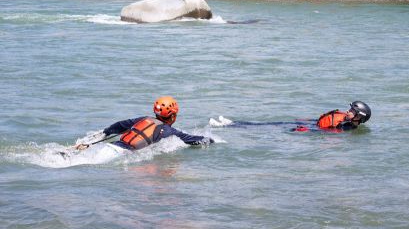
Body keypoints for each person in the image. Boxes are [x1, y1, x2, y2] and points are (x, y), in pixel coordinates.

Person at [75, 96, 214, 150]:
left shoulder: (142, 119)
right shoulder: (169, 131)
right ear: (173, 116)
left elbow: (118, 126)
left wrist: (105, 133)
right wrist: (212, 141)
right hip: (122, 153)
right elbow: (192, 140)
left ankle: (83, 147)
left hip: (113, 145)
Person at [209, 101, 371, 133]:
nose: (348, 111)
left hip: (309, 130)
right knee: (270, 123)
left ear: (358, 117)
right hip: (313, 124)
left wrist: (304, 129)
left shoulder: (347, 128)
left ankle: (226, 125)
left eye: (352, 111)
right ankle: (232, 123)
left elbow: (325, 133)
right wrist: (307, 120)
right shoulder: (345, 122)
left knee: (266, 128)